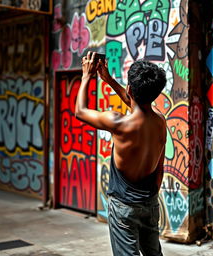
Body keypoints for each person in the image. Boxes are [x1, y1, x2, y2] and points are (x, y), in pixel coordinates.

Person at [75, 51, 167, 256]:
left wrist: (86, 76)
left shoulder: (119, 123)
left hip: (124, 205)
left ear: (129, 89)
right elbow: (137, 105)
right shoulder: (160, 121)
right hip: (150, 201)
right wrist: (108, 80)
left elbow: (80, 111)